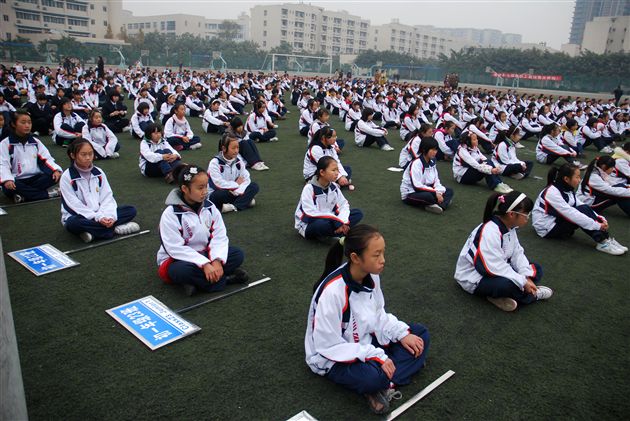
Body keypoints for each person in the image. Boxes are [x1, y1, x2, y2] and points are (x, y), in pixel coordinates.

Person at [305, 224, 429, 415]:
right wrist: (376, 355)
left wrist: (402, 334)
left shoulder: (371, 276)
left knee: (419, 335)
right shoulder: (333, 292)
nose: (383, 260)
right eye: (376, 255)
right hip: (332, 355)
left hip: (364, 341)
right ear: (355, 258)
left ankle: (385, 380)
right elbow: (327, 346)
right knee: (373, 377)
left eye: (383, 253)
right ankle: (385, 378)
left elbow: (378, 315)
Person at [157, 164, 248, 296]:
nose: (205, 191)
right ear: (185, 189)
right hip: (179, 260)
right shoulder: (170, 214)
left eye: (206, 186)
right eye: (200, 188)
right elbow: (174, 249)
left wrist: (216, 261)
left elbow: (219, 236)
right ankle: (225, 280)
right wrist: (204, 264)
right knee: (181, 271)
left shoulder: (210, 207)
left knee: (237, 254)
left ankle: (195, 283)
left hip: (206, 254)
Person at [454, 191, 553, 312]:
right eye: (526, 214)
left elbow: (517, 253)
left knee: (535, 269)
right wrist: (522, 281)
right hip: (475, 276)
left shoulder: (509, 227)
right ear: (511, 214)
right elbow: (491, 267)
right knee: (507, 285)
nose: (528, 218)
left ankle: (499, 296)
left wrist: (525, 276)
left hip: (495, 268)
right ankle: (533, 295)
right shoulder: (490, 231)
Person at [532, 164, 627, 255]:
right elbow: (571, 214)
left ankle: (606, 239)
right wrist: (597, 225)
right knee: (580, 212)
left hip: (556, 222)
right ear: (566, 179)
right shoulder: (552, 193)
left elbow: (581, 205)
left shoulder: (566, 188)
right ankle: (603, 242)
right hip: (547, 229)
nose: (579, 180)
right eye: (577, 177)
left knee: (583, 208)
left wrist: (600, 219)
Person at [60, 139, 140, 243]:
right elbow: (73, 206)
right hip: (80, 216)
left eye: (91, 154)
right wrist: (98, 218)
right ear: (73, 155)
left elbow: (107, 197)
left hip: (101, 213)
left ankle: (94, 232)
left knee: (131, 210)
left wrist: (109, 216)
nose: (88, 158)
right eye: (83, 154)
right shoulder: (67, 177)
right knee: (72, 223)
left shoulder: (99, 173)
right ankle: (113, 230)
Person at [1, 111, 62, 203]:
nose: (27, 125)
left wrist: (55, 170)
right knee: (10, 187)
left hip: (35, 178)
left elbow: (46, 158)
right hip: (16, 180)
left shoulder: (35, 142)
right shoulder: (5, 144)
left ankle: (23, 196)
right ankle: (48, 194)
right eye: (23, 122)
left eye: (29, 122)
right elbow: (3, 164)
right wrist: (7, 179)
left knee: (54, 176)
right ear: (13, 124)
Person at [400, 137, 454, 214]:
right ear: (424, 150)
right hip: (411, 192)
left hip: (427, 189)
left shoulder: (432, 162)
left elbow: (436, 181)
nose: (435, 152)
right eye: (432, 150)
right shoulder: (416, 163)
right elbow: (417, 186)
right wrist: (436, 193)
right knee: (428, 196)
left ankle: (438, 206)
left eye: (436, 149)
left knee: (449, 191)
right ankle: (440, 203)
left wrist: (438, 191)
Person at [207, 135, 259, 213]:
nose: (236, 151)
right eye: (233, 148)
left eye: (237, 148)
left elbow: (246, 178)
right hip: (220, 192)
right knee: (219, 195)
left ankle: (233, 206)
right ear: (224, 148)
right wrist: (235, 185)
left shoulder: (238, 161)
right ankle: (245, 201)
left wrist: (238, 190)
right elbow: (218, 184)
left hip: (236, 191)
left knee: (254, 186)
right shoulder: (215, 163)